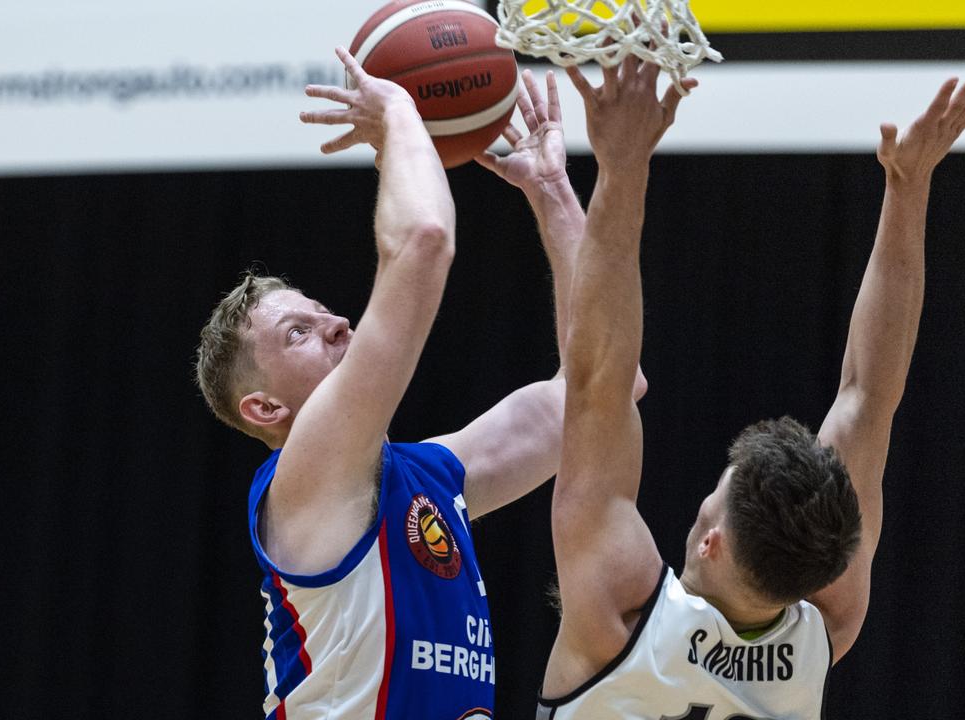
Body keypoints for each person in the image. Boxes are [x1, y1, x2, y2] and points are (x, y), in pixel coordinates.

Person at [194, 48, 637, 717]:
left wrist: (551, 192)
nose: (339, 323)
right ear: (264, 407)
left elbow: (606, 388)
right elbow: (423, 241)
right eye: (298, 333)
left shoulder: (433, 477)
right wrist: (400, 110)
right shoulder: (303, 478)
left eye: (321, 311)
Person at [537, 55, 965, 719]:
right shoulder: (823, 630)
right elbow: (865, 396)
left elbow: (598, 374)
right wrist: (911, 193)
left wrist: (622, 167)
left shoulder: (619, 617)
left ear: (713, 542)